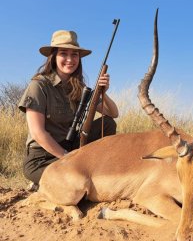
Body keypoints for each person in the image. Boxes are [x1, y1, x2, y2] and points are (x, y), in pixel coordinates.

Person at [18, 30, 119, 187]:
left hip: (71, 149)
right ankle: (43, 183)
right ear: (54, 57)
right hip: (43, 157)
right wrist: (68, 159)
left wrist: (103, 92)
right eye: (63, 54)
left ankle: (91, 170)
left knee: (108, 123)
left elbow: (113, 113)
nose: (70, 60)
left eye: (74, 55)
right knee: (77, 184)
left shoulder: (79, 87)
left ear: (79, 58)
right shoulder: (38, 85)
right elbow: (38, 133)